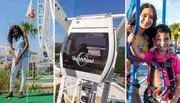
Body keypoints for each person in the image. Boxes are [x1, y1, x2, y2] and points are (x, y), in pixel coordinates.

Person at [130, 24, 180, 103]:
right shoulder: (151, 56)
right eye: (159, 39)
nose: (163, 43)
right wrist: (131, 41)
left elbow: (179, 80)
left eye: (166, 39)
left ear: (170, 40)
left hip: (170, 97)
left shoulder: (174, 58)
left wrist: (175, 98)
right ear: (154, 41)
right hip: (153, 96)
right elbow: (138, 54)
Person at [126, 3, 157, 103]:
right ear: (138, 15)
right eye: (144, 16)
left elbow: (157, 50)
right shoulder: (129, 30)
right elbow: (133, 53)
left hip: (131, 75)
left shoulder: (148, 36)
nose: (147, 20)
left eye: (151, 17)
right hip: (126, 73)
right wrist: (129, 36)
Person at [4, 25, 29, 98]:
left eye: (16, 31)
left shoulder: (23, 34)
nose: (15, 33)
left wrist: (19, 56)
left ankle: (21, 92)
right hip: (16, 57)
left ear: (18, 30)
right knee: (13, 73)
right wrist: (16, 58)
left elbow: (27, 45)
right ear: (11, 32)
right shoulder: (10, 38)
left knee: (23, 73)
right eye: (14, 32)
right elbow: (12, 49)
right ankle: (10, 92)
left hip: (24, 56)